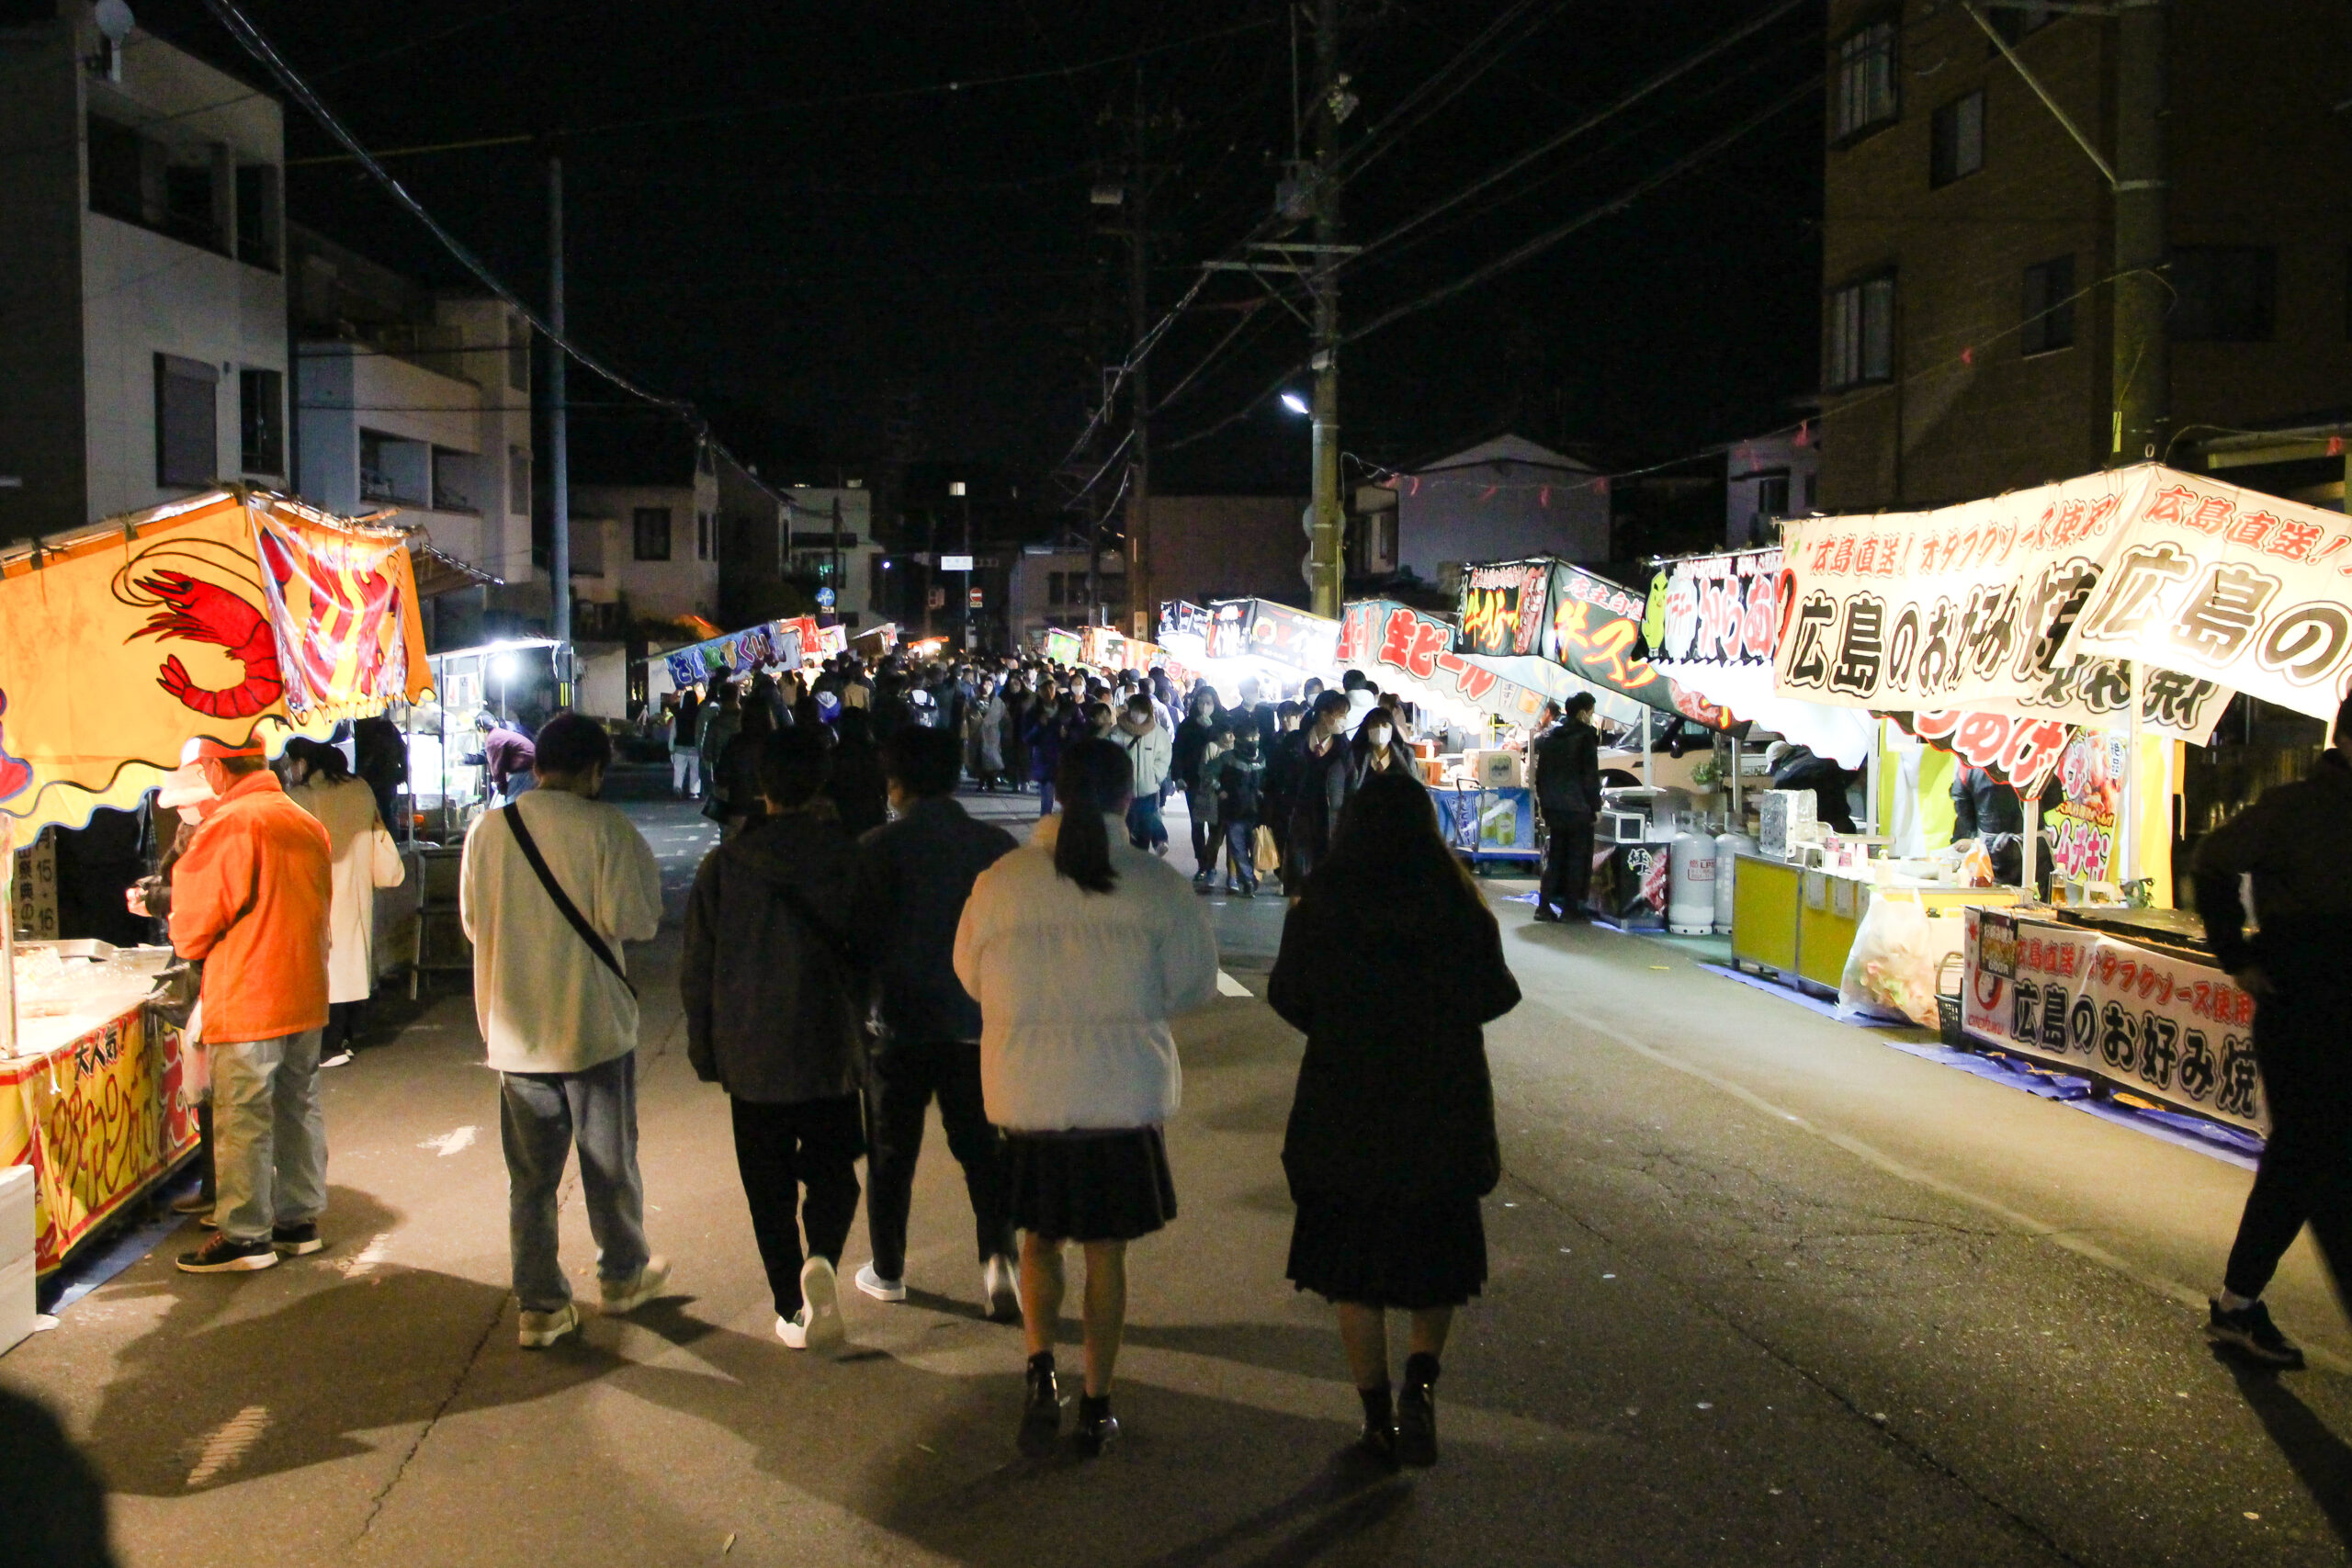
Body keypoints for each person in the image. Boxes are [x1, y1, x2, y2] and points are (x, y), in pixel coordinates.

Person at [955, 738, 1219, 1457]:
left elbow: (971, 976)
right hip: (1120, 1096)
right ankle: (1097, 1402)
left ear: (1056, 790)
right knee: (1107, 1252)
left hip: (1029, 1094)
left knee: (1038, 1238)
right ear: (1126, 798)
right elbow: (1194, 984)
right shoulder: (1155, 883)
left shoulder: (1003, 880)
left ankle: (1040, 1371)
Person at [1269, 772, 1521, 1467]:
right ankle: (1422, 1386)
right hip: (1439, 1107)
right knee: (1434, 1262)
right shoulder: (1454, 902)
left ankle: (1376, 1416)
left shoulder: (1322, 902)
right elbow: (1496, 994)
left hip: (1345, 1106)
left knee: (1356, 1272)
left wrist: (1343, 1023)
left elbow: (1288, 995)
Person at [460, 714, 668, 1348]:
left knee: (530, 1180)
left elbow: (472, 921)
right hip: (592, 1027)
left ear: (538, 764)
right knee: (609, 1163)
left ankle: (542, 1306)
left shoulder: (489, 830)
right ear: (595, 769)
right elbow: (636, 919)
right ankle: (623, 1274)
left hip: (515, 1032)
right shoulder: (607, 828)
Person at [683, 728, 867, 1351]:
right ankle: (822, 1257)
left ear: (760, 788)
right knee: (835, 1174)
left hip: (749, 1048)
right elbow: (872, 954)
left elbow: (699, 967)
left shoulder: (724, 866)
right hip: (828, 1045)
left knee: (767, 1185)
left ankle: (791, 1307)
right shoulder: (847, 856)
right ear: (821, 781)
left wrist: (706, 1049)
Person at [2189, 694, 2352, 1371]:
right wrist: (2238, 955)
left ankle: (2237, 1303)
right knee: (2313, 1159)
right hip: (2304, 1008)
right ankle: (2236, 1302)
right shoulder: (2297, 808)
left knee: (2311, 1160)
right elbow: (2212, 861)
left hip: (2331, 1007)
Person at [852, 726, 1022, 1318]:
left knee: (892, 1150)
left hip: (897, 1022)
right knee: (981, 1147)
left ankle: (890, 1268)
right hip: (976, 1020)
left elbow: (859, 941)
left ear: (896, 786)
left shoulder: (876, 849)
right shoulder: (996, 846)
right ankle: (999, 1259)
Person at [167, 738, 334, 1274]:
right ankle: (297, 1222)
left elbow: (192, 927)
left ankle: (245, 1236)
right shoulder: (304, 821)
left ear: (216, 769)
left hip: (248, 994)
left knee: (244, 1118)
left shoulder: (231, 825)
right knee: (297, 1107)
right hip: (305, 990)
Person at [283, 738, 404, 1066]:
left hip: (318, 889)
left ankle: (332, 1041)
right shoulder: (361, 789)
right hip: (356, 886)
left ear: (305, 763)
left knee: (327, 963)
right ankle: (350, 1031)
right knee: (353, 958)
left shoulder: (300, 797)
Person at [1530, 694, 1602, 922]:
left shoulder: (1551, 737)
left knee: (1556, 857)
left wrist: (1544, 802)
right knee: (1577, 858)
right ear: (1583, 712)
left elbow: (1540, 776)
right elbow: (1589, 777)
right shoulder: (1585, 738)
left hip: (1554, 807)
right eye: (1591, 712)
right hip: (1578, 808)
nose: (1592, 717)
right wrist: (1595, 806)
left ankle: (1544, 906)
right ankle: (1571, 908)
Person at [1283, 690, 1354, 897]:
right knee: (1299, 879)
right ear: (1324, 714)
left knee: (1326, 879)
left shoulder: (1344, 749)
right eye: (1340, 715)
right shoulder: (1295, 743)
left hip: (1330, 821)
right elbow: (1278, 779)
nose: (1344, 721)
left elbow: (1351, 787)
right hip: (1299, 818)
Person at [1113, 692, 1173, 855]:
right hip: (1125, 790)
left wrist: (1156, 775)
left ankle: (1151, 849)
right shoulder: (1117, 731)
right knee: (1127, 826)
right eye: (1135, 710)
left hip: (1148, 788)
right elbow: (1109, 757)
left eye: (1142, 711)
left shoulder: (1158, 733)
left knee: (1147, 822)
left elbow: (1164, 757)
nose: (1138, 715)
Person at [711, 702, 777, 840]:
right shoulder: (776, 743)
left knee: (736, 851)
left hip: (739, 806)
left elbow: (721, 777)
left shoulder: (735, 743)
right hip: (772, 809)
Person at [1172, 691, 1220, 878]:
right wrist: (1178, 776)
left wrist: (1210, 730)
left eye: (1208, 702)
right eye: (1201, 703)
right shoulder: (1187, 725)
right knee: (1197, 823)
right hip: (1193, 781)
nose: (1204, 707)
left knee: (1216, 825)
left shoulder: (1221, 722)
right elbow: (1178, 751)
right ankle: (1202, 863)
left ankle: (1211, 863)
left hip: (1216, 781)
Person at [1213, 728, 1266, 897]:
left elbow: (1269, 780)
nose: (1253, 739)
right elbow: (1209, 774)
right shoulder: (1227, 758)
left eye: (1255, 736)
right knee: (1238, 849)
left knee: (1257, 849)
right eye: (1249, 736)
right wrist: (1219, 790)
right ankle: (1248, 880)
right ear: (1240, 738)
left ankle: (1251, 877)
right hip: (1234, 811)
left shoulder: (1263, 758)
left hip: (1257, 813)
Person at [827, 706, 890, 837]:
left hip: (842, 812)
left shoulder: (834, 754)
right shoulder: (875, 752)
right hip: (872, 809)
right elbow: (883, 782)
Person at [696, 681, 742, 803]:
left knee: (723, 809)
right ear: (737, 696)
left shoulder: (715, 723)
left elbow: (707, 751)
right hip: (744, 772)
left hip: (721, 771)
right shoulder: (746, 720)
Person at [476, 713, 537, 804]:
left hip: (524, 771)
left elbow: (497, 768)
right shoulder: (499, 733)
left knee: (513, 807)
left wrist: (502, 788)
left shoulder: (492, 739)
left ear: (481, 730)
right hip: (531, 768)